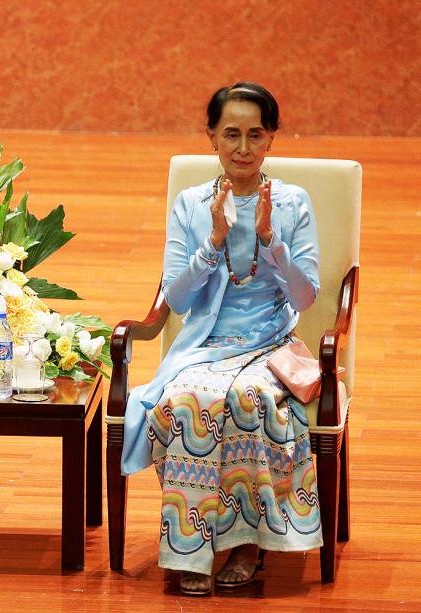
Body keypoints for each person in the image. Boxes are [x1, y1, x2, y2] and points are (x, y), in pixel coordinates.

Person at [119, 82, 322, 595]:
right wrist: (211, 243)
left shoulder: (293, 203)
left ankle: (249, 544)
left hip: (270, 343)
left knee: (245, 398)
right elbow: (178, 300)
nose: (243, 147)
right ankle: (192, 545)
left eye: (256, 134)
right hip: (206, 345)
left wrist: (273, 241)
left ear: (272, 138)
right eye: (231, 133)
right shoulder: (192, 204)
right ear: (211, 136)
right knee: (185, 400)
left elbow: (305, 299)